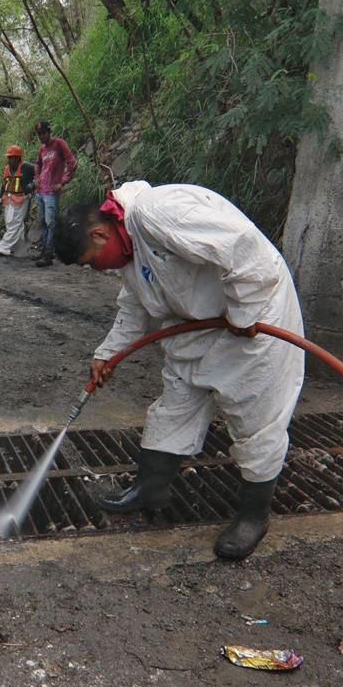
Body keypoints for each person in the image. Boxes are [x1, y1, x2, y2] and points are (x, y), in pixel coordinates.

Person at [52, 181, 305, 560]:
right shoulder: (130, 254)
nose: (95, 270)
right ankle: (151, 488)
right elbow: (134, 307)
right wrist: (108, 353)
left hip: (253, 324)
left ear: (101, 232)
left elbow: (243, 248)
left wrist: (244, 311)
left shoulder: (159, 211)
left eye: (91, 261)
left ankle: (254, 516)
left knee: (256, 418)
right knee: (175, 406)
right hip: (198, 326)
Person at [32, 120, 77, 267]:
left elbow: (72, 162)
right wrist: (37, 177)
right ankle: (45, 250)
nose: (41, 136)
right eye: (39, 134)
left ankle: (48, 253)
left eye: (43, 133)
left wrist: (63, 181)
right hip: (40, 190)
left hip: (52, 191)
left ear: (49, 132)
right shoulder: (42, 150)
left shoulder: (59, 144)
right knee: (44, 222)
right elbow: (38, 164)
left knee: (51, 223)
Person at [0, 144, 35, 259]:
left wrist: (32, 186)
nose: (10, 160)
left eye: (12, 158)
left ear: (18, 158)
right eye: (9, 158)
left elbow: (34, 179)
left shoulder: (26, 168)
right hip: (9, 198)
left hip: (21, 198)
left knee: (14, 223)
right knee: (10, 223)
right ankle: (19, 248)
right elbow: (4, 184)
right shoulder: (7, 169)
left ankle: (4, 248)